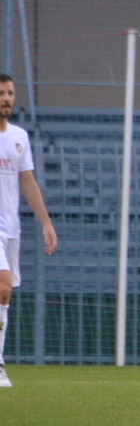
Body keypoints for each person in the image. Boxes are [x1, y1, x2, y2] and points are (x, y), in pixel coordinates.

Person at [0, 74, 58, 387]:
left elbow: (27, 181)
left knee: (4, 294)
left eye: (10, 93)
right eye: (1, 93)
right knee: (3, 287)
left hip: (10, 228)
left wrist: (46, 222)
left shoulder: (19, 137)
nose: (7, 98)